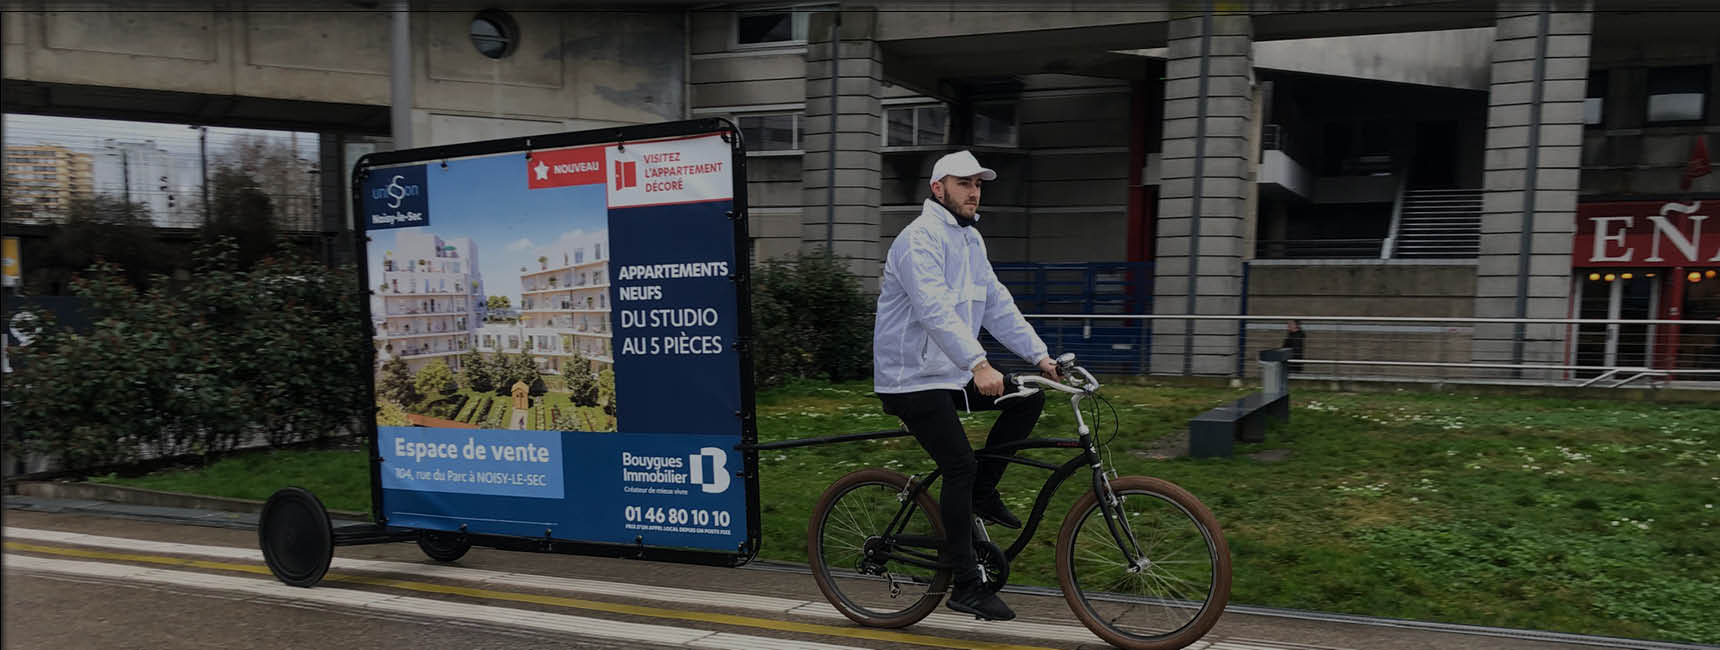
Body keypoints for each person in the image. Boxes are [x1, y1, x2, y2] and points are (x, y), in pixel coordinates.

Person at [872, 150, 1060, 622]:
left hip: (950, 374)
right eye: (963, 183)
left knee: (1028, 395)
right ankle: (966, 586)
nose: (974, 192)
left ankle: (982, 493)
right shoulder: (918, 240)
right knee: (958, 466)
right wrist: (978, 363)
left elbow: (998, 305)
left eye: (978, 184)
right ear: (938, 189)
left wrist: (1039, 355)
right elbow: (934, 309)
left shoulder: (971, 241)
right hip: (910, 379)